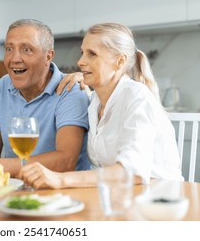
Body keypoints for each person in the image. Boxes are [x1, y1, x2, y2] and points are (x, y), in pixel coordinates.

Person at [20, 22, 184, 189]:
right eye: (82, 52)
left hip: (161, 200)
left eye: (92, 54)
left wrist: (61, 179)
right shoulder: (95, 102)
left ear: (119, 61)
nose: (80, 61)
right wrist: (83, 78)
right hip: (122, 196)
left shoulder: (137, 97)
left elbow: (132, 171)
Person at [0, 19, 91, 177]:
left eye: (27, 49)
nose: (14, 58)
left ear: (48, 56)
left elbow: (65, 160)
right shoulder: (3, 86)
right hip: (15, 187)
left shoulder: (70, 91)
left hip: (60, 193)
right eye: (9, 49)